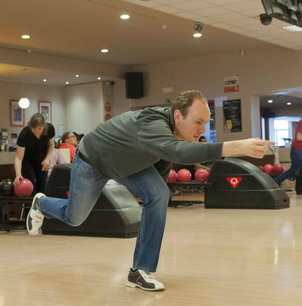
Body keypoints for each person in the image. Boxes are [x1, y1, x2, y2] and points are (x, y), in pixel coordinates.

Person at [26, 90, 273, 291]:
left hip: (129, 164)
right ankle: (41, 204)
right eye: (197, 122)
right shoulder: (153, 124)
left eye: (205, 123)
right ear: (178, 116)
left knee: (159, 194)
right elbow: (179, 153)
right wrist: (237, 145)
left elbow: (164, 170)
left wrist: (151, 196)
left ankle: (139, 271)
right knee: (75, 217)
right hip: (93, 161)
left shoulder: (170, 138)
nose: (201, 129)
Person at [14, 114, 55, 193]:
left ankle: (41, 203)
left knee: (43, 185)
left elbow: (51, 145)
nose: (37, 131)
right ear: (30, 126)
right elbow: (18, 158)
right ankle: (30, 204)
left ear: (44, 126)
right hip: (27, 161)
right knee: (30, 185)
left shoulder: (50, 129)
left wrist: (47, 159)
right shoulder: (25, 133)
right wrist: (18, 174)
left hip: (42, 159)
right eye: (34, 128)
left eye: (40, 128)